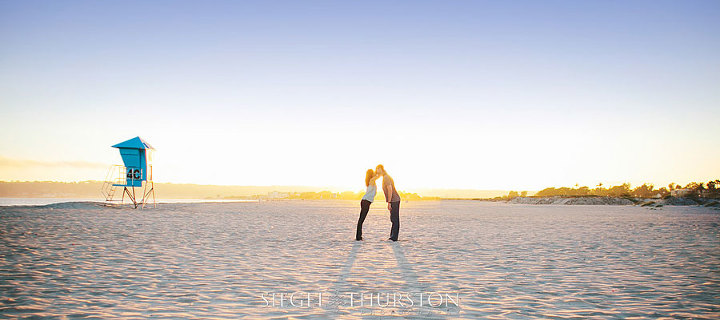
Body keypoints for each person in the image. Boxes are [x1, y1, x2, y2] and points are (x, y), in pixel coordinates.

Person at [376, 164, 401, 241]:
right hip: (394, 200)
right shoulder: (385, 176)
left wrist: (389, 202)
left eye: (377, 169)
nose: (376, 171)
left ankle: (394, 237)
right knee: (393, 218)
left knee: (394, 219)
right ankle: (393, 236)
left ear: (381, 169)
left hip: (394, 200)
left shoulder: (386, 177)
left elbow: (389, 189)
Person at [356, 169, 379, 241]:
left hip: (366, 201)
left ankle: (359, 236)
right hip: (366, 202)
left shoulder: (371, 181)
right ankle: (358, 237)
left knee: (361, 220)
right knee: (361, 219)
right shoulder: (372, 180)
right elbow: (378, 176)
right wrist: (380, 172)